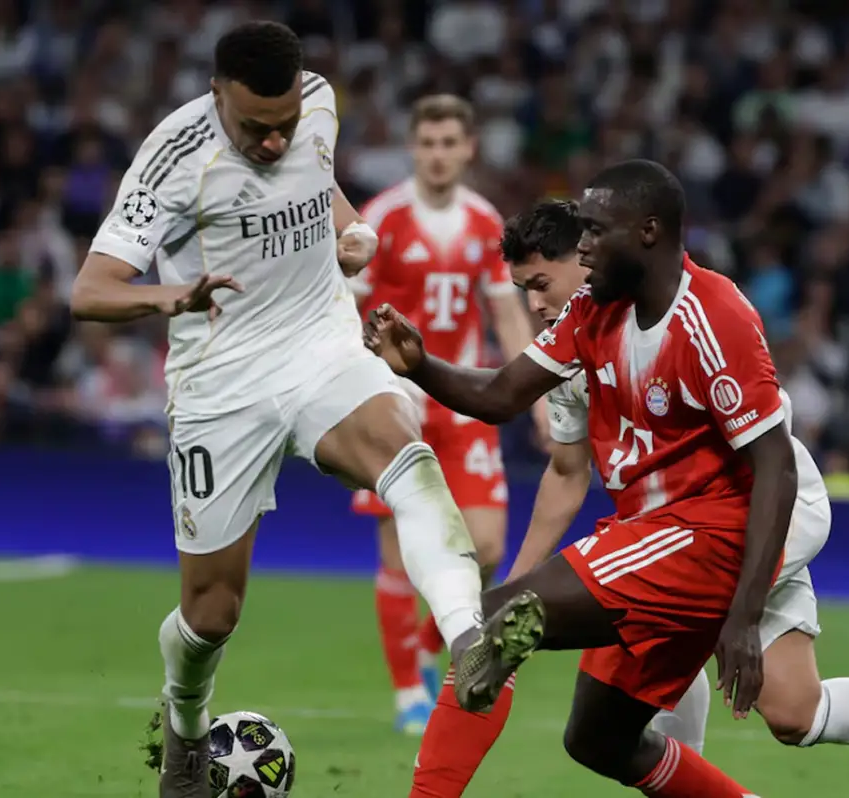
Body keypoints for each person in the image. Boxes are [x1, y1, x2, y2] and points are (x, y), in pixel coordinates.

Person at [365, 164, 849, 798]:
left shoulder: (711, 317)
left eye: (593, 234)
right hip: (666, 525)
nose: (584, 248)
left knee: (502, 622)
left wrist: (740, 617)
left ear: (647, 232)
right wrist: (418, 364)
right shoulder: (588, 317)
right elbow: (508, 403)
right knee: (759, 716)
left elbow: (772, 465)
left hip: (743, 516)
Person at [70, 21, 540, 798]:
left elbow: (318, 179)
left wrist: (353, 230)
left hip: (318, 347)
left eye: (284, 124)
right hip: (221, 384)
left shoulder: (317, 104)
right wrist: (172, 295)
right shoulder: (173, 157)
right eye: (257, 128)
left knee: (405, 453)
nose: (274, 140)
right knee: (211, 614)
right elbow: (91, 289)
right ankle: (186, 723)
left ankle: (469, 642)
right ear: (217, 94)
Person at [346, 94, 544, 734]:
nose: (437, 155)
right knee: (397, 555)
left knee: (485, 547)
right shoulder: (381, 219)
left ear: (468, 149)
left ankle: (427, 645)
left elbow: (506, 313)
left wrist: (536, 394)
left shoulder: (485, 222)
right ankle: (408, 691)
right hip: (392, 404)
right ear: (413, 148)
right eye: (428, 143)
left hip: (461, 400)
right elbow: (347, 309)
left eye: (449, 143)